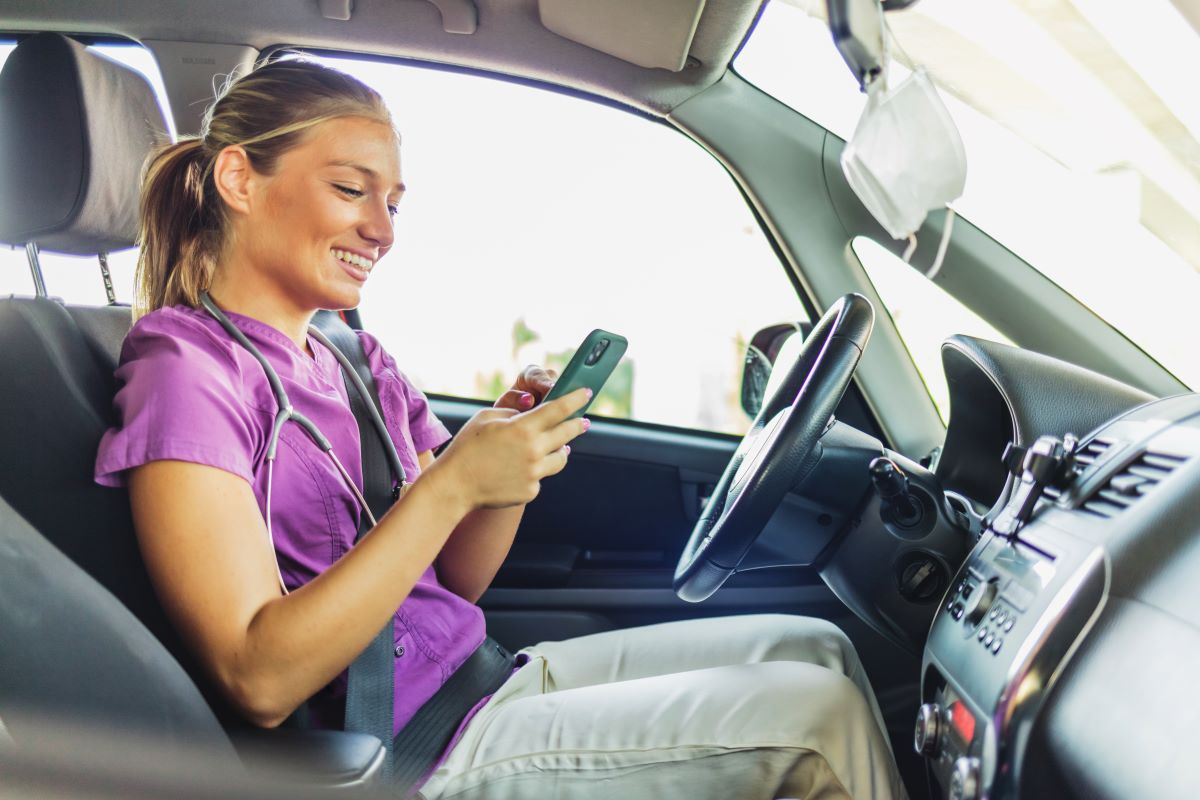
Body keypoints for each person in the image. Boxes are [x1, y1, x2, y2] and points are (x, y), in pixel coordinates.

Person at [94, 58, 907, 800]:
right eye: (350, 190)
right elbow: (258, 678)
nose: (383, 230)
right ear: (239, 178)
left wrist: (509, 469)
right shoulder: (185, 370)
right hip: (407, 753)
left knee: (816, 649)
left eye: (393, 203)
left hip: (483, 682)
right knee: (814, 719)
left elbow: (454, 582)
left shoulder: (356, 360)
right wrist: (450, 487)